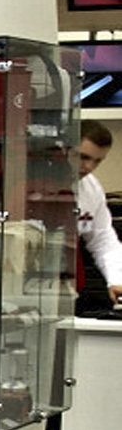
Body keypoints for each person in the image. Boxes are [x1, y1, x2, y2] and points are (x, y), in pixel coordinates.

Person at [75, 121, 122, 313]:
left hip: (68, 288)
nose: (89, 167)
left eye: (97, 161)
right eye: (83, 157)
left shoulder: (91, 189)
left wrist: (116, 280)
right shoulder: (27, 180)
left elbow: (103, 240)